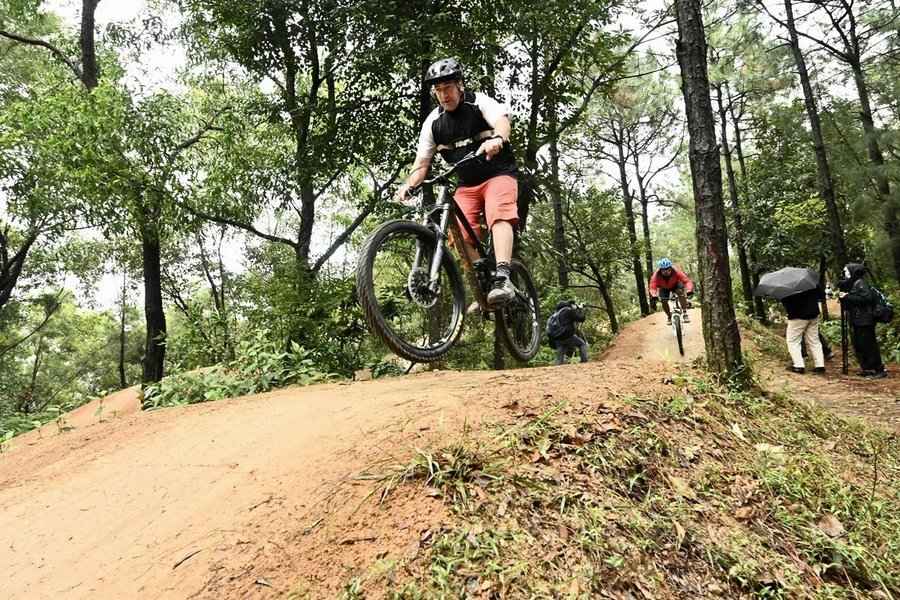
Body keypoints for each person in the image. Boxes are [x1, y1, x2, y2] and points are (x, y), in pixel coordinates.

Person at [396, 58, 519, 307]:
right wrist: (407, 186)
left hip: (498, 173)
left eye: (448, 88)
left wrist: (497, 139)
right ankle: (483, 285)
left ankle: (504, 278)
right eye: (438, 90)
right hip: (467, 184)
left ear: (460, 85)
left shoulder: (478, 102)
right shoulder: (433, 123)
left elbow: (503, 121)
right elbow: (421, 165)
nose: (444, 95)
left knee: (498, 212)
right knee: (459, 233)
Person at [838, 263, 887, 378]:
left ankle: (878, 369)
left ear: (852, 271)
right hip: (859, 319)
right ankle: (868, 368)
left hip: (865, 319)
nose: (844, 274)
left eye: (846, 271)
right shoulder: (853, 283)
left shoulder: (860, 282)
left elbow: (867, 298)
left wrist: (847, 296)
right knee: (861, 344)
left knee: (869, 345)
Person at [781, 287, 826, 374]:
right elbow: (821, 295)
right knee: (814, 340)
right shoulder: (808, 281)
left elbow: (785, 302)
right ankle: (820, 366)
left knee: (792, 341)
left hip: (797, 316)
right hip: (813, 314)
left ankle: (798, 366)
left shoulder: (786, 286)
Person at [649, 258, 694, 325]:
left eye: (668, 269)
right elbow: (652, 287)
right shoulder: (656, 276)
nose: (666, 271)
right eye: (663, 270)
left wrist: (689, 290)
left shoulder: (676, 271)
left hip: (676, 284)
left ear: (671, 268)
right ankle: (669, 317)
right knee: (663, 301)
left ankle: (685, 313)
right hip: (664, 287)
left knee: (680, 293)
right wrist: (654, 295)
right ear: (660, 270)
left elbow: (687, 281)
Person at [546, 300, 588, 365]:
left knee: (559, 358)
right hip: (567, 336)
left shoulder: (555, 315)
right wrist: (581, 309)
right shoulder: (568, 310)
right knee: (582, 344)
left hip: (557, 338)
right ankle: (584, 362)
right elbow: (581, 318)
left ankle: (557, 369)